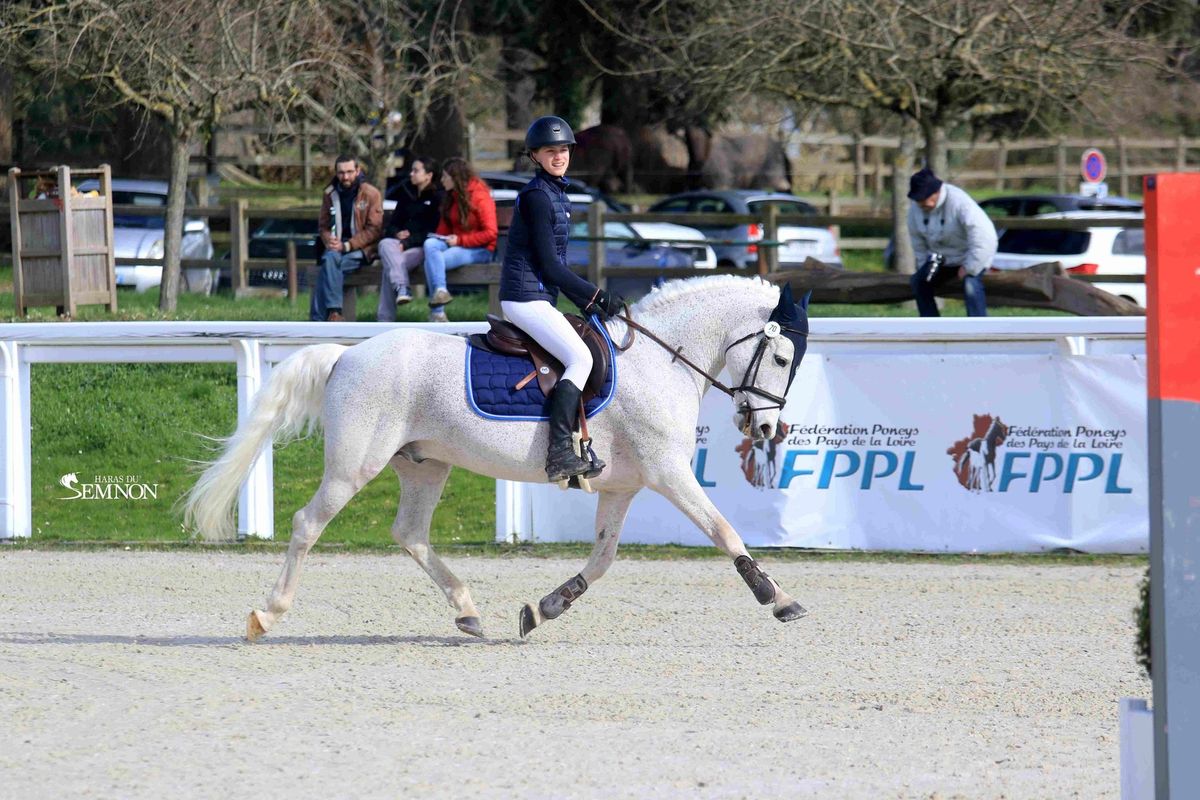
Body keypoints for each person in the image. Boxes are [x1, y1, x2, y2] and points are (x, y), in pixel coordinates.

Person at [501, 115, 624, 482]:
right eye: (550, 151)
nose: (559, 156)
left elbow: (558, 267)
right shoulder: (539, 197)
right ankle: (559, 454)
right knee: (580, 358)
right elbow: (552, 267)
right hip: (525, 298)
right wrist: (598, 295)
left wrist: (589, 303)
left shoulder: (556, 194)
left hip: (538, 296)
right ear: (534, 156)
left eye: (563, 150)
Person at [906, 167, 997, 317]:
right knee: (918, 282)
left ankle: (979, 327)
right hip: (942, 261)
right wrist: (924, 267)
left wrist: (970, 267)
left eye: (925, 197)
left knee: (971, 285)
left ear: (936, 192)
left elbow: (985, 237)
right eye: (918, 199)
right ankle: (931, 326)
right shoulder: (915, 210)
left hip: (971, 258)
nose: (922, 203)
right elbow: (918, 244)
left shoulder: (960, 202)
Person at [423, 157, 498, 322]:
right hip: (457, 244)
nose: (442, 180)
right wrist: (442, 238)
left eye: (445, 177)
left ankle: (437, 313)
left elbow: (491, 233)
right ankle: (441, 291)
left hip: (481, 250)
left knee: (433, 261)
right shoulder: (451, 196)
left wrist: (460, 241)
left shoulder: (480, 196)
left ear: (455, 177)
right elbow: (443, 229)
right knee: (430, 244)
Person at [311, 155, 383, 322]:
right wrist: (329, 240)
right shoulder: (330, 193)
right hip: (335, 249)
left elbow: (374, 230)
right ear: (336, 173)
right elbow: (323, 226)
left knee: (328, 267)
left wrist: (347, 245)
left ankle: (320, 318)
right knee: (331, 260)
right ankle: (334, 314)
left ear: (358, 170)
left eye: (350, 172)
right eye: (341, 173)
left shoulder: (370, 193)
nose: (345, 177)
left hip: (362, 250)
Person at [376, 156, 441, 321]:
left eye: (416, 171)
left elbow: (432, 232)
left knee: (391, 266)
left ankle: (384, 319)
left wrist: (406, 243)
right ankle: (402, 287)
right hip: (397, 245)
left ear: (429, 175)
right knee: (385, 243)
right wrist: (397, 233)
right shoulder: (406, 195)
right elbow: (392, 225)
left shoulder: (437, 198)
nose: (411, 174)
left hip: (421, 248)